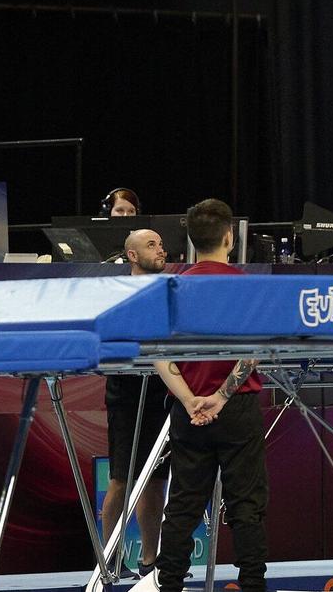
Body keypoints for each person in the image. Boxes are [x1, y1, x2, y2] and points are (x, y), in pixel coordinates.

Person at [139, 199, 267, 592]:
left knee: (182, 505)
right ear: (230, 237)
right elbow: (253, 352)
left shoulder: (172, 289)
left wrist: (190, 398)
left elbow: (156, 354)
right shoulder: (248, 288)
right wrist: (221, 398)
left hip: (189, 412)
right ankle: (252, 586)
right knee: (246, 505)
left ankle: (170, 585)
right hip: (237, 408)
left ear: (192, 241)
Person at [101, 228, 173, 581]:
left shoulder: (168, 292)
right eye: (151, 245)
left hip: (163, 391)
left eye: (160, 244)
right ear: (132, 255)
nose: (160, 250)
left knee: (157, 478)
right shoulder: (117, 294)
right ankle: (111, 559)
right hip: (127, 395)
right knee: (121, 479)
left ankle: (149, 560)